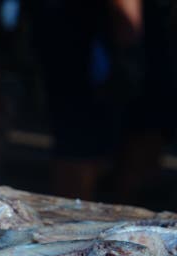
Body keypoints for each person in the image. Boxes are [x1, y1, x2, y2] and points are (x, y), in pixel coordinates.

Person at [29, 0, 176, 205]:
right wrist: (129, 47)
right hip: (95, 41)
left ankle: (119, 217)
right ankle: (74, 221)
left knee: (139, 142)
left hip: (129, 36)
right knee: (81, 146)